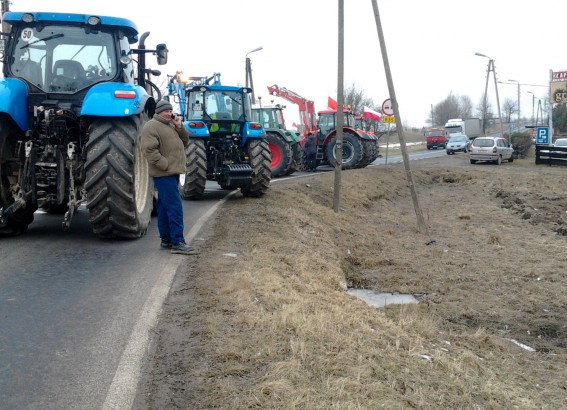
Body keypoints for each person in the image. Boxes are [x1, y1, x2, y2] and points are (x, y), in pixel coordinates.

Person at [141, 99, 196, 255]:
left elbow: (185, 141)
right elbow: (149, 150)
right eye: (166, 111)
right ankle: (178, 242)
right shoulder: (151, 126)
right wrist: (164, 164)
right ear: (159, 112)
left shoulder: (171, 125)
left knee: (164, 206)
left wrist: (179, 126)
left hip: (172, 172)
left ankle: (166, 240)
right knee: (174, 207)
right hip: (164, 172)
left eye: (171, 111)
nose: (169, 113)